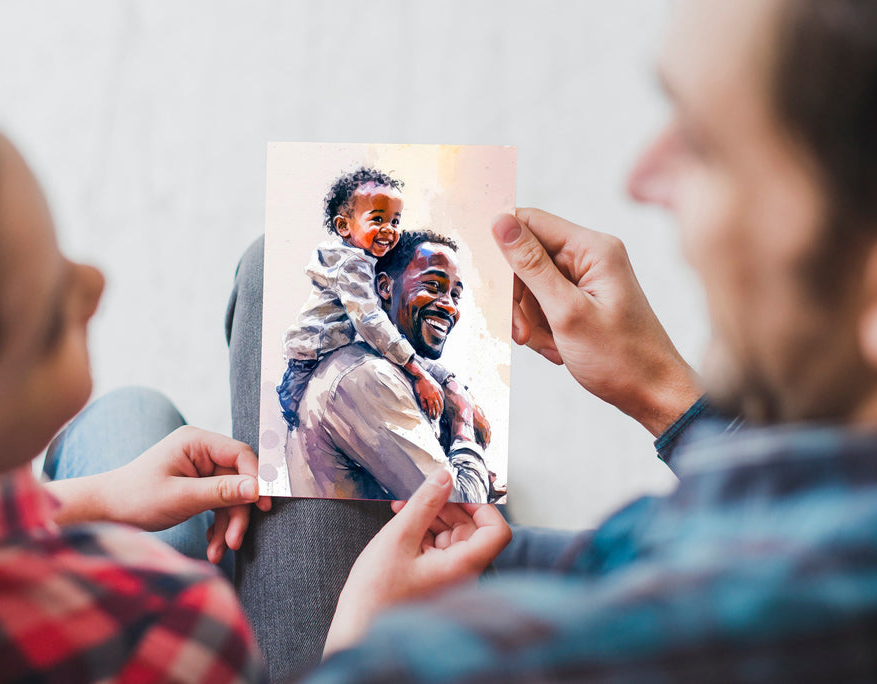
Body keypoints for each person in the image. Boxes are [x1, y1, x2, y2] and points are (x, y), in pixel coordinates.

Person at [230, 0, 877, 680]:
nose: (642, 179)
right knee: (147, 415)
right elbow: (652, 541)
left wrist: (358, 639)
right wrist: (666, 395)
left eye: (707, 144)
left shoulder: (426, 662)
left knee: (253, 283)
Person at [0, 68, 269, 682]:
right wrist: (361, 641)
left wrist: (104, 495)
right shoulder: (173, 627)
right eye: (51, 321)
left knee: (136, 411)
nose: (96, 281)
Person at [283, 230, 494, 503]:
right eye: (432, 286)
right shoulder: (370, 377)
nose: (450, 307)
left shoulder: (376, 363)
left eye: (456, 295)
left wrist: (452, 385)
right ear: (384, 287)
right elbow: (461, 504)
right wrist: (462, 420)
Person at [276, 167, 458, 430]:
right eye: (378, 220)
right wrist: (416, 371)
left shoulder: (362, 261)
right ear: (344, 226)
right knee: (299, 415)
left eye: (395, 221)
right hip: (310, 354)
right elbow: (371, 321)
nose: (389, 230)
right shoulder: (351, 265)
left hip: (329, 346)